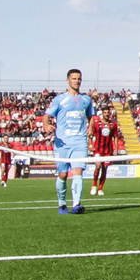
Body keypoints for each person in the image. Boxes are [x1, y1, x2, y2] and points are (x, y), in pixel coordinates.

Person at [47, 68, 97, 215]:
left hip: (80, 142)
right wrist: (46, 124)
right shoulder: (59, 99)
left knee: (78, 172)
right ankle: (62, 204)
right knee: (62, 174)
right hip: (63, 142)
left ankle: (76, 204)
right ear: (68, 80)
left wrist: (91, 127)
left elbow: (91, 116)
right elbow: (47, 115)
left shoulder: (86, 99)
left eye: (79, 78)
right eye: (74, 78)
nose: (77, 81)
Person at [90, 112, 116, 196]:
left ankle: (100, 188)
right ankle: (94, 185)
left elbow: (115, 136)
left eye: (107, 112)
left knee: (105, 169)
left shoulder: (113, 124)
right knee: (98, 166)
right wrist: (90, 144)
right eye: (105, 112)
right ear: (103, 114)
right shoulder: (97, 124)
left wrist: (116, 148)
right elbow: (90, 134)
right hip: (98, 149)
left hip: (108, 151)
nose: (107, 114)